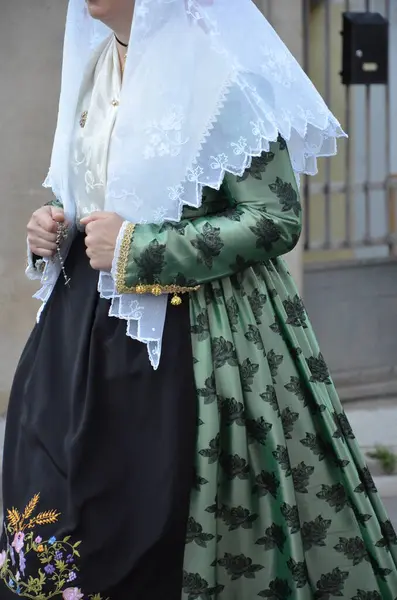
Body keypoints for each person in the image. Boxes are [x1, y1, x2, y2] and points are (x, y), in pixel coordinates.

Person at [1, 0, 397, 598]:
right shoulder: (93, 64)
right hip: (74, 338)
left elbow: (275, 217)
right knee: (49, 502)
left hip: (196, 341)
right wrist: (49, 230)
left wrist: (142, 247)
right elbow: (87, 194)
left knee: (146, 519)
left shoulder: (219, 73)